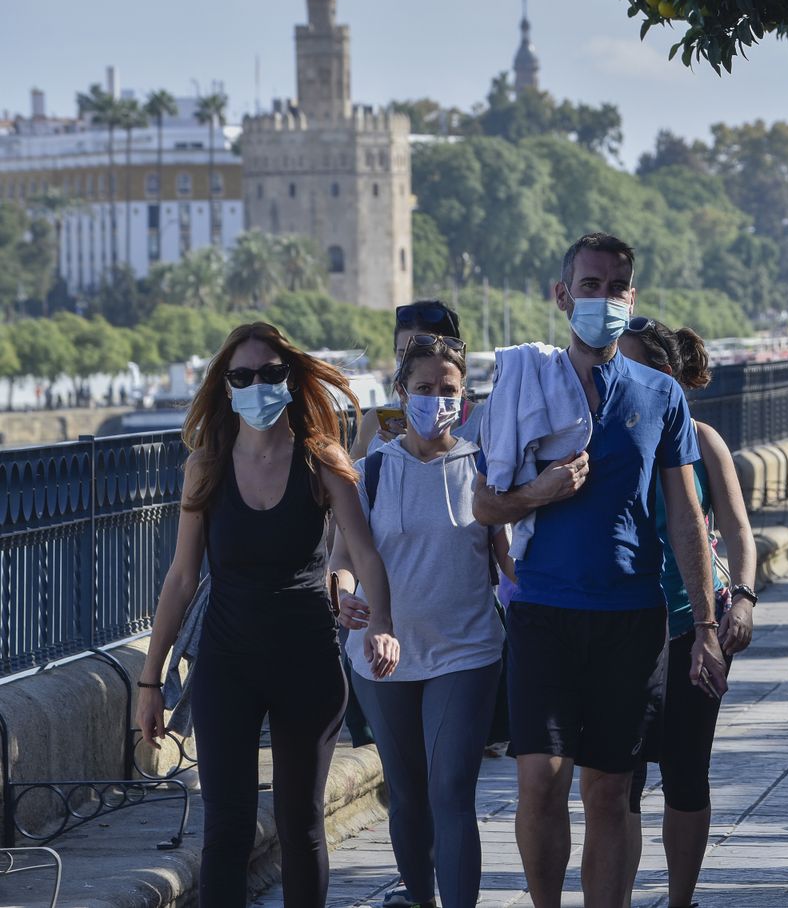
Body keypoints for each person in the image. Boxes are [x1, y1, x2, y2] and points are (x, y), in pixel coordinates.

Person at [471, 233, 726, 908]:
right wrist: (539, 493)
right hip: (543, 611)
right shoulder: (523, 385)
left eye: (616, 287)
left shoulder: (661, 395)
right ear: (562, 295)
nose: (603, 299)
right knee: (540, 781)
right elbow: (484, 504)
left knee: (610, 789)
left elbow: (686, 519)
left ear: (631, 297)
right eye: (590, 286)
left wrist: (704, 627)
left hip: (630, 618)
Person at [135, 322, 401, 908]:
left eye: (271, 373)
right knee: (225, 828)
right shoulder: (206, 466)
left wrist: (382, 623)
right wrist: (150, 682)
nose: (258, 385)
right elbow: (181, 579)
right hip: (227, 664)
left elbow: (364, 551)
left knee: (301, 825)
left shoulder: (322, 460)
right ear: (226, 387)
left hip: (305, 659)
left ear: (292, 378)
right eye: (242, 376)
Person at [332, 334, 511, 908]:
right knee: (407, 794)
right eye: (424, 389)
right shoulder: (371, 473)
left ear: (466, 399)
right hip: (380, 656)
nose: (437, 400)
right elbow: (341, 560)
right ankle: (420, 900)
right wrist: (340, 595)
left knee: (452, 790)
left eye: (448, 390)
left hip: (466, 650)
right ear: (400, 393)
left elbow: (510, 560)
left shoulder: (486, 468)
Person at [617, 318, 758, 908]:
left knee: (685, 772)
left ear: (665, 376)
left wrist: (744, 599)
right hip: (621, 623)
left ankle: (680, 900)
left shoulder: (702, 442)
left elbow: (739, 533)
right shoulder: (606, 434)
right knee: (620, 780)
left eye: (629, 365)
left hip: (691, 625)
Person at [354, 300, 474, 460]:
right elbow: (351, 480)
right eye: (402, 353)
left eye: (419, 353)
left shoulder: (479, 422)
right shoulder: (373, 423)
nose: (409, 362)